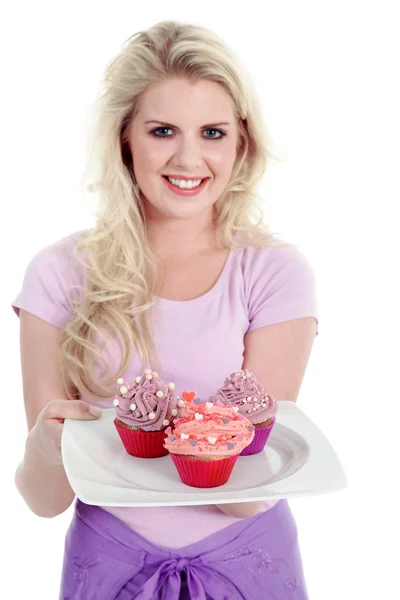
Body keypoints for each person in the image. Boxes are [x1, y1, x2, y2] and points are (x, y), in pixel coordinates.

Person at [12, 20, 319, 600]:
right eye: (162, 130)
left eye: (211, 131)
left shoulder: (274, 274)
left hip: (246, 560)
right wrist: (44, 444)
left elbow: (245, 494)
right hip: (109, 561)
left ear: (241, 142)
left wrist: (206, 437)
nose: (188, 157)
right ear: (126, 137)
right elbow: (44, 501)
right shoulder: (58, 272)